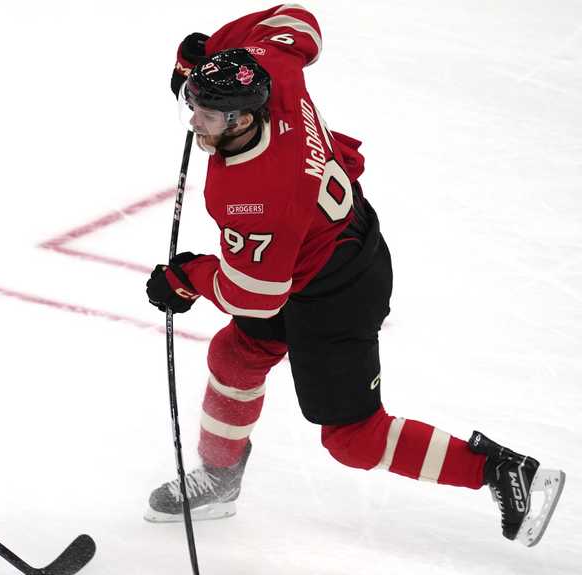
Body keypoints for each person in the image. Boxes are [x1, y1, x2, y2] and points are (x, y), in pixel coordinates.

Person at [143, 4, 565, 546]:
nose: (192, 120)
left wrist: (188, 278)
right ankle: (221, 477)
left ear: (243, 119)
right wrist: (219, 53)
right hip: (320, 244)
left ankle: (502, 471)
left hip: (336, 288)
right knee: (235, 356)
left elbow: (256, 294)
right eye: (193, 105)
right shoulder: (273, 69)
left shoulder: (254, 194)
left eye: (203, 112)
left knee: (352, 439)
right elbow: (298, 23)